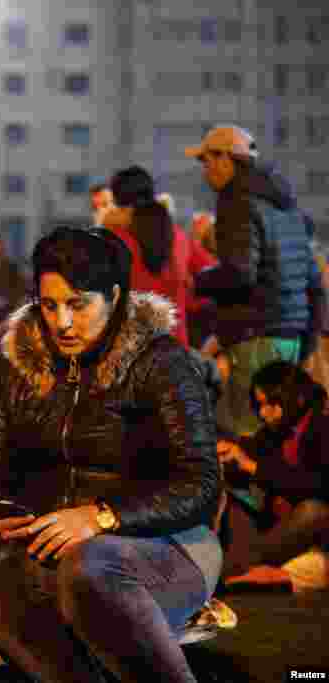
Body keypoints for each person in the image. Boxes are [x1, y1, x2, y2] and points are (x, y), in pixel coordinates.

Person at [0, 226, 222, 683]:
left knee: (90, 568)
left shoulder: (161, 363)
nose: (62, 322)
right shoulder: (19, 365)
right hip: (52, 548)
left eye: (78, 304)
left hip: (166, 547)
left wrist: (101, 517)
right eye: (49, 305)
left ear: (114, 298)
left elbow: (200, 485)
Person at [187, 124, 327, 435]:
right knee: (275, 437)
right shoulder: (285, 204)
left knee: (243, 433)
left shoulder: (236, 200)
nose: (205, 171)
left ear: (226, 159)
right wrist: (307, 341)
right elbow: (314, 282)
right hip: (290, 339)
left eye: (206, 161)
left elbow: (240, 273)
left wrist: (199, 282)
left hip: (255, 336)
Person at [217, 362, 329, 592]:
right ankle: (238, 567)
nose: (263, 412)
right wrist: (225, 456)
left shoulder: (322, 429)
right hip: (273, 532)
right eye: (260, 405)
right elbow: (248, 453)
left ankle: (238, 569)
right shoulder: (273, 433)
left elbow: (317, 486)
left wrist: (253, 467)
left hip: (310, 533)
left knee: (313, 511)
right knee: (230, 499)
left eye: (271, 404)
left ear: (296, 399)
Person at [104, 166, 218, 346]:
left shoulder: (114, 240)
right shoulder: (179, 236)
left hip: (131, 348)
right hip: (175, 346)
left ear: (119, 205)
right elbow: (214, 279)